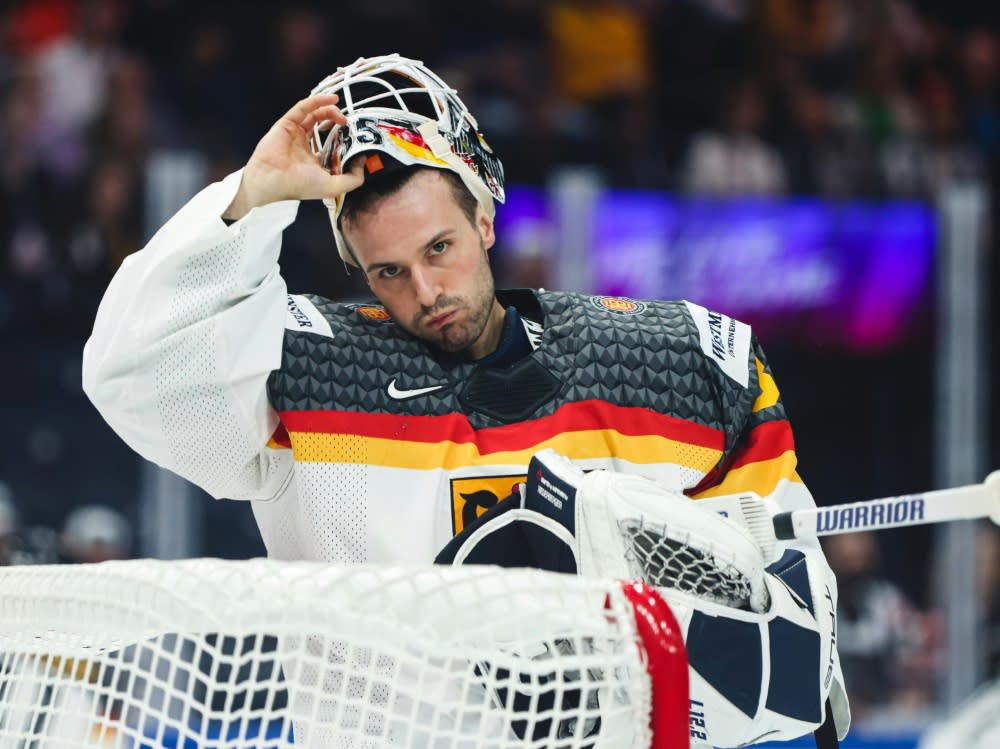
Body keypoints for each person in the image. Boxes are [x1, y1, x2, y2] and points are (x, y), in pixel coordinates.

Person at [82, 54, 848, 747]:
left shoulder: (683, 369)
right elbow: (128, 368)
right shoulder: (303, 377)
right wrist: (253, 200)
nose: (424, 292)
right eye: (387, 271)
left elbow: (794, 645)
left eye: (438, 249)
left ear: (485, 218)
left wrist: (625, 669)